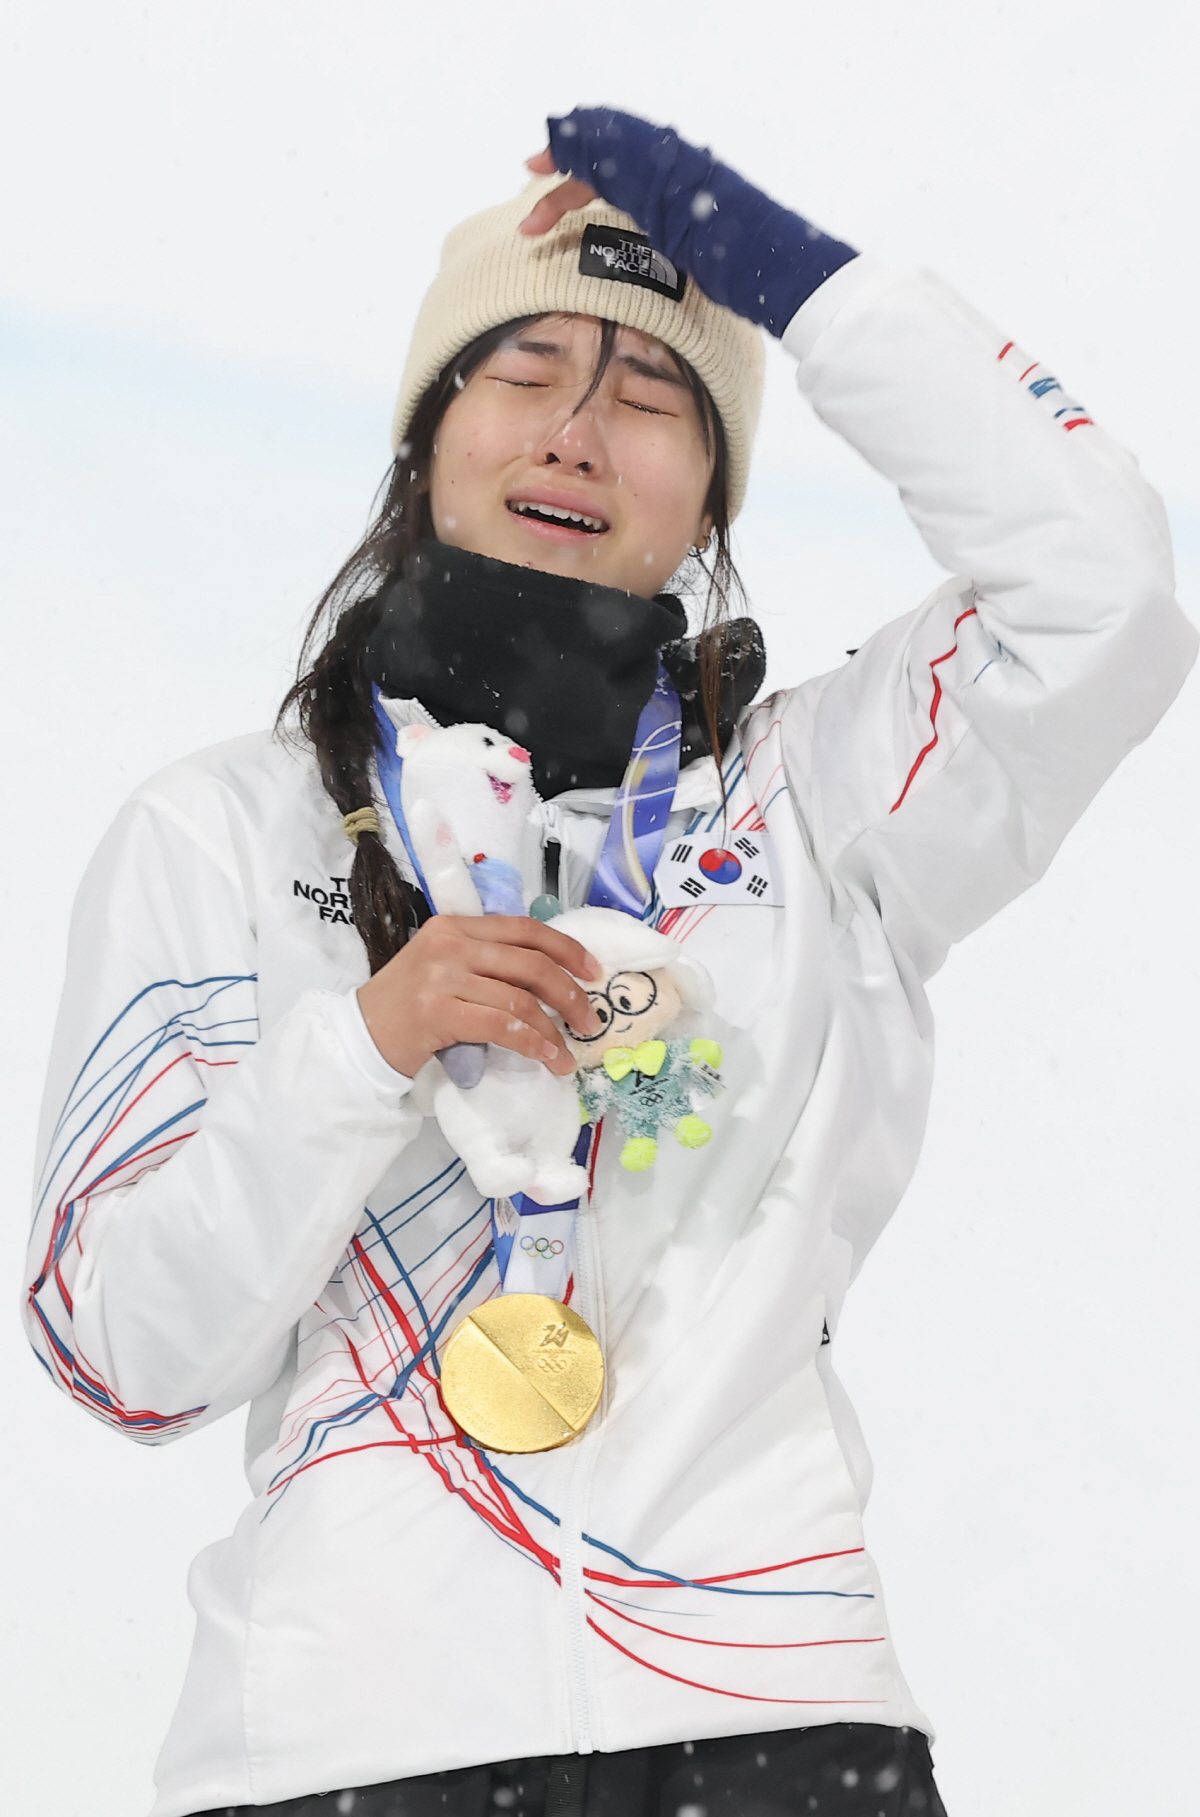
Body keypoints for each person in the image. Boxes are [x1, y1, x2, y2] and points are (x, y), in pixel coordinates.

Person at [24, 107, 1194, 1817]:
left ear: (712, 487)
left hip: (781, 1732)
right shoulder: (219, 833)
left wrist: (803, 288)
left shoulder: (821, 806)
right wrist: (362, 1051)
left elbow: (1107, 591)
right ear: (428, 433)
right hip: (351, 1747)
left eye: (655, 396)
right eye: (523, 369)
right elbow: (118, 1347)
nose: (580, 430)